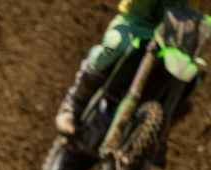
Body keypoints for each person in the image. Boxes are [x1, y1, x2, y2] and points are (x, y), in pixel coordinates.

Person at [55, 0, 204, 136]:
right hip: (138, 21)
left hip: (176, 35)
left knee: (192, 72)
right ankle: (73, 105)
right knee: (114, 47)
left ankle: (157, 135)